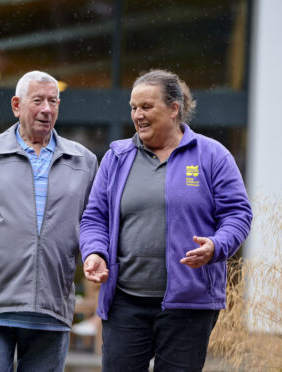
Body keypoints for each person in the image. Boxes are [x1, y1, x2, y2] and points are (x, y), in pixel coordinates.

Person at [79, 69, 253, 371]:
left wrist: (216, 245)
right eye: (134, 108)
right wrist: (94, 251)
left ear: (174, 109)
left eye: (147, 107)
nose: (138, 115)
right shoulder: (117, 157)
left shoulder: (212, 156)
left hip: (189, 303)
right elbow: (95, 216)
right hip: (125, 303)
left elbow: (238, 214)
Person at [0, 70, 98, 371]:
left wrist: (95, 254)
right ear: (17, 105)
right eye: (37, 100)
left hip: (52, 307)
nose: (47, 109)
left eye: (53, 101)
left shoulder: (84, 161)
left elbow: (94, 222)